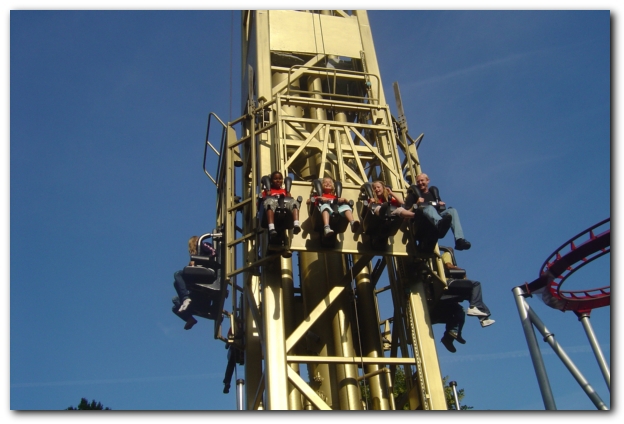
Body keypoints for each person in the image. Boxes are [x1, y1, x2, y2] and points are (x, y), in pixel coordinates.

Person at [414, 173, 471, 251]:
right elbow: (407, 210)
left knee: (452, 211)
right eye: (418, 182)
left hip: (436, 218)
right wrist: (417, 203)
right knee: (429, 208)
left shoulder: (433, 194)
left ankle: (459, 240)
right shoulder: (414, 195)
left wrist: (440, 204)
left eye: (422, 180)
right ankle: (439, 224)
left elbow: (441, 209)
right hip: (423, 222)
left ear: (428, 181)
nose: (420, 183)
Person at [171, 235, 217, 330]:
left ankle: (186, 298)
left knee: (178, 274)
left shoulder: (203, 244)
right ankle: (190, 318)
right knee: (175, 301)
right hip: (198, 297)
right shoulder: (195, 257)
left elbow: (213, 253)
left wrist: (199, 262)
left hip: (207, 272)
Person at [442, 248, 495, 328]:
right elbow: (448, 265)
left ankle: (484, 318)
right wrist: (461, 271)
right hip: (448, 282)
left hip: (451, 282)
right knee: (475, 284)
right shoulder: (447, 254)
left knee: (472, 294)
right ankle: (473, 307)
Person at [261, 171, 301, 237]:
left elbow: (289, 202)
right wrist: (266, 196)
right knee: (269, 203)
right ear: (271, 181)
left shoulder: (285, 191)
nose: (278, 181)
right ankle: (271, 227)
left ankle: (296, 224)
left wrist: (288, 195)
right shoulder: (266, 192)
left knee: (294, 203)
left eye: (280, 179)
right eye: (275, 179)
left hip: (284, 208)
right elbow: (259, 204)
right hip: (273, 208)